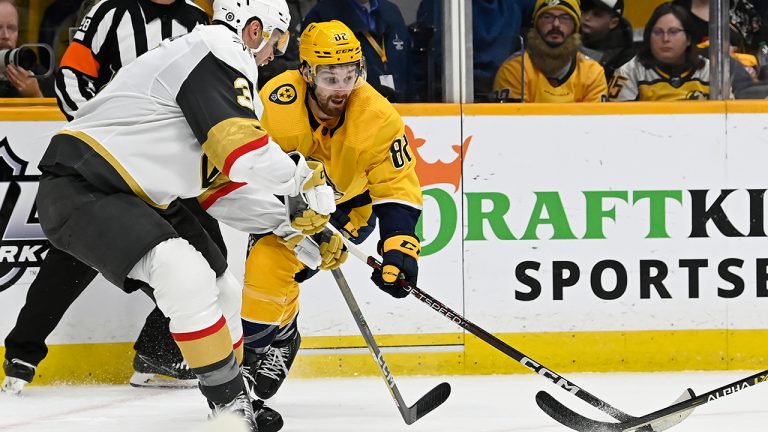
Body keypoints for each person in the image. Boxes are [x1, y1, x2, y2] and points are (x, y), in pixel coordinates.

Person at [32, 0, 336, 427]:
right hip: (83, 182)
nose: (276, 53)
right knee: (184, 273)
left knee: (224, 291)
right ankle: (229, 411)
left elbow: (224, 190)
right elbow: (241, 152)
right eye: (277, 38)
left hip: (138, 195)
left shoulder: (223, 72)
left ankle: (239, 397)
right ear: (253, 30)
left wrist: (292, 227)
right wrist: (303, 179)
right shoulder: (214, 49)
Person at [2, 0, 212, 394]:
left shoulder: (199, 22)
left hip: (169, 173)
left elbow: (205, 96)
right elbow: (69, 81)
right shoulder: (109, 12)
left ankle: (160, 351)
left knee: (208, 258)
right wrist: (105, 140)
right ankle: (22, 354)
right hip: (110, 164)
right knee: (72, 256)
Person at [233, 20, 422, 420]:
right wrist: (281, 213)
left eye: (350, 75)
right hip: (282, 201)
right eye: (329, 76)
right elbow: (246, 167)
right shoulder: (275, 102)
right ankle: (277, 340)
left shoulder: (377, 116)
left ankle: (246, 372)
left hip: (350, 207)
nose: (341, 88)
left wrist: (400, 247)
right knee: (265, 267)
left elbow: (396, 184)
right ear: (306, 73)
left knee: (274, 266)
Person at [414, 0, 536, 102]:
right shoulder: (442, 5)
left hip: (504, 92)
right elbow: (428, 62)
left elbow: (549, 10)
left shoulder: (515, 3)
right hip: (451, 97)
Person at [492, 0, 607, 103]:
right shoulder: (515, 68)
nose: (556, 24)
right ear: (536, 23)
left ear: (575, 26)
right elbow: (514, 123)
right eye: (547, 17)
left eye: (565, 18)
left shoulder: (592, 72)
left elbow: (594, 124)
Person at [302, 0, 412, 102]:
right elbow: (311, 72)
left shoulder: (391, 10)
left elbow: (410, 61)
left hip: (404, 109)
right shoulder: (321, 14)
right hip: (350, 109)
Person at [608, 3, 713, 101]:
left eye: (673, 32)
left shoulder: (710, 71)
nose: (665, 39)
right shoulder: (630, 71)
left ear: (689, 39)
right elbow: (618, 117)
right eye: (658, 32)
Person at [0, 0, 54, 97]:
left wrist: (35, 94)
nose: (6, 35)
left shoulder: (35, 74)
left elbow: (57, 111)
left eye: (11, 28)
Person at [580, 0, 635, 82]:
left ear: (613, 23)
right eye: (585, 10)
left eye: (597, 14)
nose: (587, 17)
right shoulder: (565, 37)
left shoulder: (624, 59)